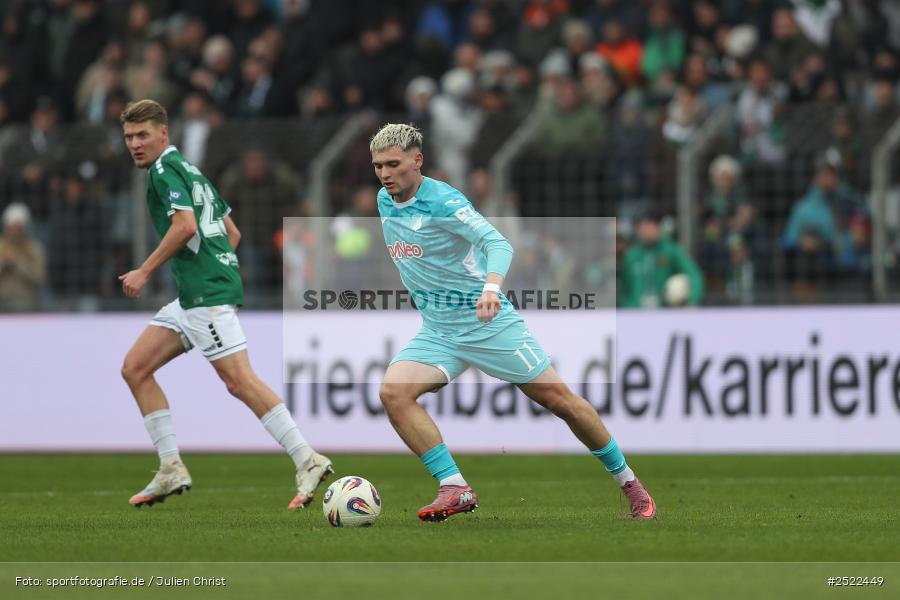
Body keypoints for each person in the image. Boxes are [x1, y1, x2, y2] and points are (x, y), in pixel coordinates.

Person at [369, 123, 656, 522]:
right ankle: (454, 487)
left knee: (562, 403)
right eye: (378, 166)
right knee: (393, 393)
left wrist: (490, 288)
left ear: (417, 161)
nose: (384, 174)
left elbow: (497, 243)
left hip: (487, 323)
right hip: (439, 331)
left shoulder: (444, 201)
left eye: (393, 164)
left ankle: (631, 485)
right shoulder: (385, 200)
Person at [118, 99, 331, 509]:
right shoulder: (190, 169)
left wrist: (145, 271)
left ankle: (307, 458)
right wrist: (215, 268)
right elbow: (230, 231)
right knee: (136, 367)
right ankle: (170, 467)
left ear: (164, 133)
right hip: (198, 293)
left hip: (205, 294)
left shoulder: (164, 171)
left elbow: (185, 225)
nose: (135, 144)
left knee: (239, 381)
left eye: (143, 134)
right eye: (129, 137)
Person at [620, 209, 704, 308]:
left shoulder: (671, 250)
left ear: (658, 227)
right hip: (636, 311)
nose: (647, 230)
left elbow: (693, 275)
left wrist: (692, 299)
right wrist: (628, 305)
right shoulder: (631, 256)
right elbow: (623, 287)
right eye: (644, 225)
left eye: (651, 225)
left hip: (664, 311)